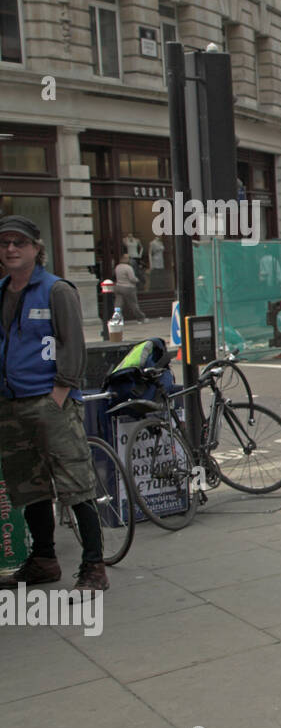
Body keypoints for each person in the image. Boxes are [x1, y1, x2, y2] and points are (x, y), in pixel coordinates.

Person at [0, 214, 108, 592]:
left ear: (36, 248)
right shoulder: (2, 290)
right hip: (11, 406)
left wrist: (58, 395)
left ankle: (93, 566)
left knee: (75, 485)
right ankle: (44, 560)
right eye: (5, 243)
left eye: (19, 242)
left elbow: (73, 346)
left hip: (51, 403)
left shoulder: (56, 290)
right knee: (29, 488)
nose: (11, 249)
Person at [112, 254, 147, 321]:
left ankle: (116, 318)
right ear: (125, 259)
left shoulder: (117, 267)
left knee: (118, 304)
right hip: (128, 287)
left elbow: (115, 276)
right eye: (128, 258)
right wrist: (138, 280)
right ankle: (141, 317)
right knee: (133, 304)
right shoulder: (128, 267)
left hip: (119, 286)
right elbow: (132, 278)